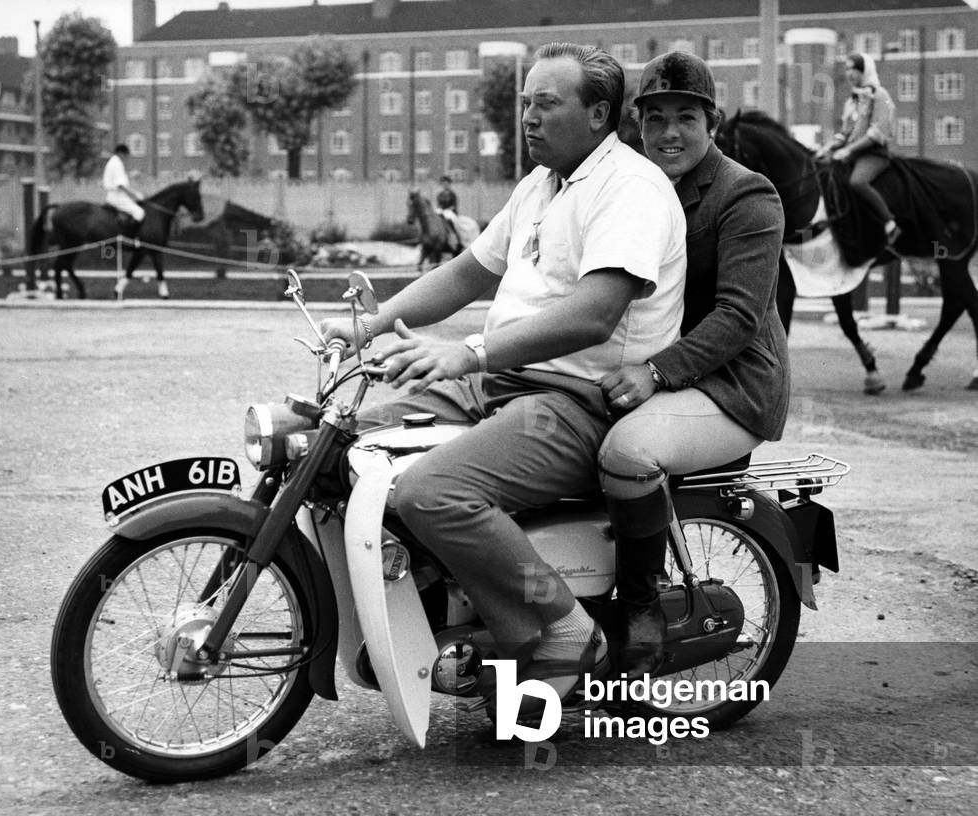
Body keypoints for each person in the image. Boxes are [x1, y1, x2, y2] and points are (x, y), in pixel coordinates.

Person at [321, 42, 687, 715]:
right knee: (336, 447)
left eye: (545, 104)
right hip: (502, 385)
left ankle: (563, 627)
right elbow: (466, 274)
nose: (527, 118)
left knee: (430, 491)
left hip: (575, 401)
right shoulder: (541, 184)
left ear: (599, 113)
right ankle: (448, 617)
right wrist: (371, 325)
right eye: (524, 104)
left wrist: (470, 352)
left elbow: (593, 314)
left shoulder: (629, 189)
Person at [598, 51, 789, 678]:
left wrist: (653, 372)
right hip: (662, 371)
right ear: (638, 125)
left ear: (714, 123)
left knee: (627, 453)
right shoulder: (634, 189)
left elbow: (737, 317)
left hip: (734, 383)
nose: (670, 134)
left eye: (686, 117)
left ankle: (642, 611)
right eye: (655, 120)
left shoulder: (747, 195)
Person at [814, 51, 899, 246]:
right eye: (847, 69)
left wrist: (849, 151)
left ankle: (889, 223)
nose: (849, 74)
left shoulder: (880, 95)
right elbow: (845, 133)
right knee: (823, 174)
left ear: (864, 71)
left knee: (857, 182)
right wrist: (827, 147)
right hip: (850, 155)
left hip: (873, 154)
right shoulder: (851, 101)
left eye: (854, 69)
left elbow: (878, 131)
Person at [103, 144, 145, 237]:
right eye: (126, 156)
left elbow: (120, 179)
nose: (126, 159)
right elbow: (121, 185)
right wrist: (135, 195)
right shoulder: (117, 163)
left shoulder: (113, 162)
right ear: (121, 153)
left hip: (114, 194)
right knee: (139, 213)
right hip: (117, 196)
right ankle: (130, 236)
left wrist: (131, 175)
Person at [435, 175, 463, 251]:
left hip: (450, 211)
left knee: (451, 219)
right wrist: (439, 209)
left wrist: (448, 209)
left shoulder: (452, 194)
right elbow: (439, 204)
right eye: (443, 183)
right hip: (442, 211)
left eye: (446, 183)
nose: (445, 185)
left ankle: (456, 237)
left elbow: (454, 205)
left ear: (449, 184)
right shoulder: (440, 194)